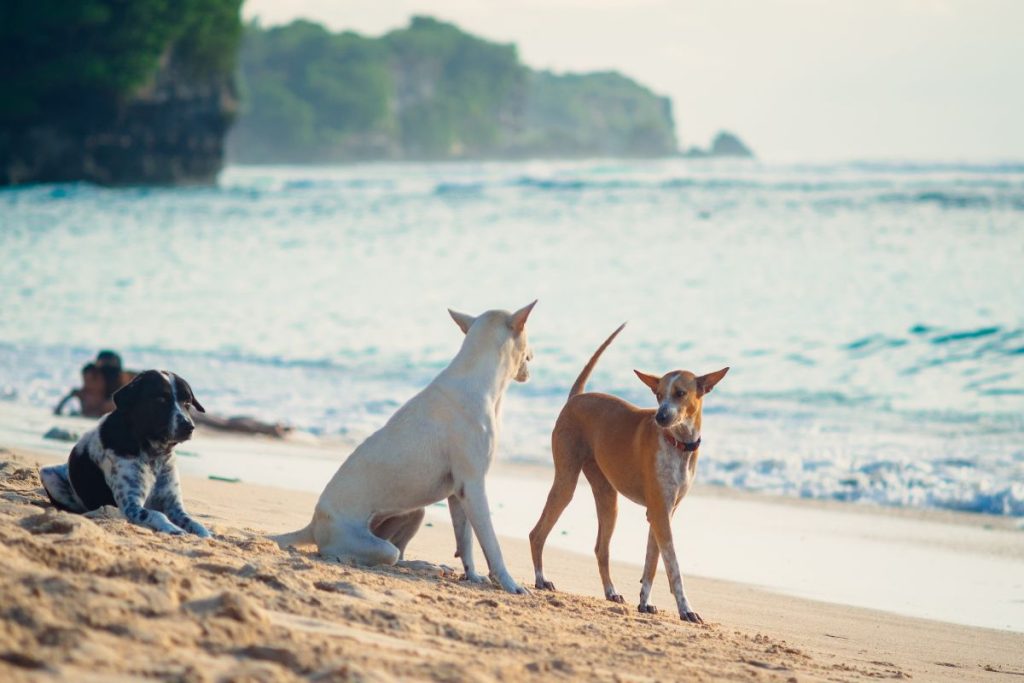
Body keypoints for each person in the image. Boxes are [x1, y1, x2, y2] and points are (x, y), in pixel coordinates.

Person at [54, 350, 292, 437]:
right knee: (222, 421)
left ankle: (268, 428)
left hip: (174, 412)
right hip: (172, 411)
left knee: (223, 423)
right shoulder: (109, 387)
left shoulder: (122, 388)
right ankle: (268, 427)